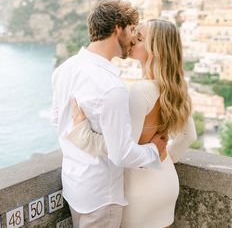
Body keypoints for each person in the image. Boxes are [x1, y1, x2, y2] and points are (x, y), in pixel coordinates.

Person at [67, 18, 197, 228]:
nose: (134, 39)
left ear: (154, 49)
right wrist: (164, 158)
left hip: (139, 189)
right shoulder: (177, 86)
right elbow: (189, 136)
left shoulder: (141, 91)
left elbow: (123, 150)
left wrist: (82, 133)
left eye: (141, 37)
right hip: (166, 182)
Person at [51, 0, 168, 228]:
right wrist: (154, 151)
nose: (134, 39)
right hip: (100, 196)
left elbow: (58, 121)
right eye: (132, 30)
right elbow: (121, 153)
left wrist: (83, 135)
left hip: (74, 185)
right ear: (117, 28)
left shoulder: (64, 69)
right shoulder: (111, 87)